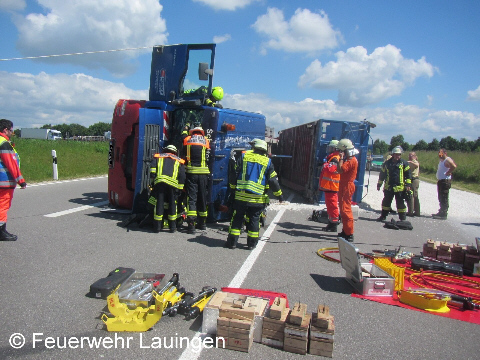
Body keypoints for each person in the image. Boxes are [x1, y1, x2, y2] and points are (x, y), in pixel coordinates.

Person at [225, 139, 283, 250]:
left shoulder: (244, 157)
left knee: (237, 218)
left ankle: (232, 243)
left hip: (241, 197)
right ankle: (251, 244)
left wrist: (232, 189)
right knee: (254, 220)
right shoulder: (268, 162)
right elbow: (273, 181)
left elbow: (234, 173)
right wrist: (279, 195)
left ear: (254, 147)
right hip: (257, 200)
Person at [149, 145, 186, 233]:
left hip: (160, 183)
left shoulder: (158, 156)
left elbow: (152, 171)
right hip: (173, 185)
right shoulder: (179, 160)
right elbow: (182, 176)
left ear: (165, 150)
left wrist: (153, 183)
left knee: (159, 204)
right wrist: (179, 190)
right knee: (172, 205)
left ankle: (157, 227)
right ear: (175, 152)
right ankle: (172, 227)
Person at [0, 119, 26, 241]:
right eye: (11, 131)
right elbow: (11, 164)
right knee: (2, 206)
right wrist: (21, 181)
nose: (12, 133)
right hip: (3, 182)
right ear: (5, 130)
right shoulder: (4, 143)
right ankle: (1, 232)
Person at [182, 126, 210, 233]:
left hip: (191, 172)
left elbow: (183, 136)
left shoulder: (187, 139)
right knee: (202, 197)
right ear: (201, 133)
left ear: (192, 132)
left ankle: (191, 225)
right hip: (203, 173)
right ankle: (202, 223)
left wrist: (185, 128)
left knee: (192, 198)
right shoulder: (206, 140)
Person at [376, 146, 412, 222]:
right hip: (389, 187)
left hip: (400, 188)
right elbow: (382, 175)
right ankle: (383, 216)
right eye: (396, 154)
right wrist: (379, 184)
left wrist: (408, 185)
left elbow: (408, 175)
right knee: (386, 203)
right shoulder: (387, 164)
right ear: (393, 154)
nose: (397, 156)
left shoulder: (404, 163)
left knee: (400, 204)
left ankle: (402, 219)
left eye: (399, 154)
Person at [336, 139, 358, 242]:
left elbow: (340, 169)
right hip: (345, 185)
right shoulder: (350, 160)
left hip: (347, 186)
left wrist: (340, 159)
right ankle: (345, 231)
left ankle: (349, 233)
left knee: (346, 209)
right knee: (343, 208)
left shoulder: (350, 161)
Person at [318, 140, 340, 232]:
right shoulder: (332, 158)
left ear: (334, 148)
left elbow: (330, 169)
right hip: (329, 186)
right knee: (330, 205)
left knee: (332, 205)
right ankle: (331, 223)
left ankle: (333, 224)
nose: (329, 149)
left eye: (330, 147)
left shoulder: (335, 158)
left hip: (332, 186)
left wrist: (324, 165)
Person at [432, 149, 456, 220]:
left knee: (444, 197)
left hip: (445, 181)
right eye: (439, 154)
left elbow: (453, 166)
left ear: (445, 153)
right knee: (440, 197)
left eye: (441, 153)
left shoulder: (447, 160)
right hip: (441, 181)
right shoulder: (442, 160)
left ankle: (444, 214)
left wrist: (449, 172)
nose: (440, 155)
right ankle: (441, 211)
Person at [407, 151, 421, 217]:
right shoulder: (410, 162)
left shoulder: (414, 161)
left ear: (415, 156)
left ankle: (412, 211)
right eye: (409, 155)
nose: (410, 157)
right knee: (411, 195)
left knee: (413, 196)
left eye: (411, 155)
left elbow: (417, 165)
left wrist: (410, 162)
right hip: (411, 179)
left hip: (414, 179)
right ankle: (413, 211)